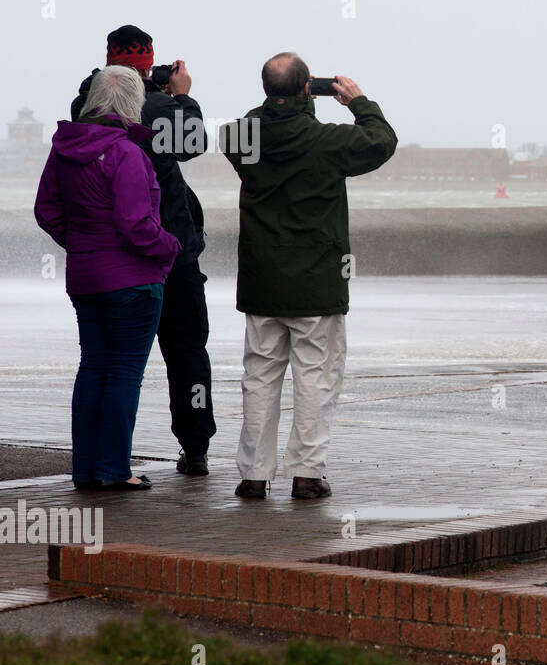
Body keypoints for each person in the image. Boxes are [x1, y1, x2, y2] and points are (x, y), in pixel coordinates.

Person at [218, 53, 398, 499]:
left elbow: (237, 130)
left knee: (259, 377)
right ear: (306, 90)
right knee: (315, 377)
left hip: (262, 281)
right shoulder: (326, 141)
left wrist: (279, 103)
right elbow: (381, 142)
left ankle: (254, 475)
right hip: (316, 282)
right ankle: (306, 473)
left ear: (266, 92)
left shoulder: (244, 137)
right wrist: (358, 102)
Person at [71, 25, 216, 478]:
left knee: (102, 364)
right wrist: (182, 97)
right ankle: (195, 448)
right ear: (148, 64)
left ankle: (97, 462)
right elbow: (192, 144)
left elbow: (50, 210)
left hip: (103, 258)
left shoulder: (85, 105)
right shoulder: (158, 107)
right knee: (186, 351)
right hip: (166, 251)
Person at [35, 67, 181, 490]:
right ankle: (114, 470)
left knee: (94, 368)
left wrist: (82, 243)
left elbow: (47, 212)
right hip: (133, 283)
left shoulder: (63, 150)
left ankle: (86, 470)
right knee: (123, 374)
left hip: (86, 278)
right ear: (133, 105)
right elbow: (136, 225)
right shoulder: (126, 153)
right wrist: (171, 246)